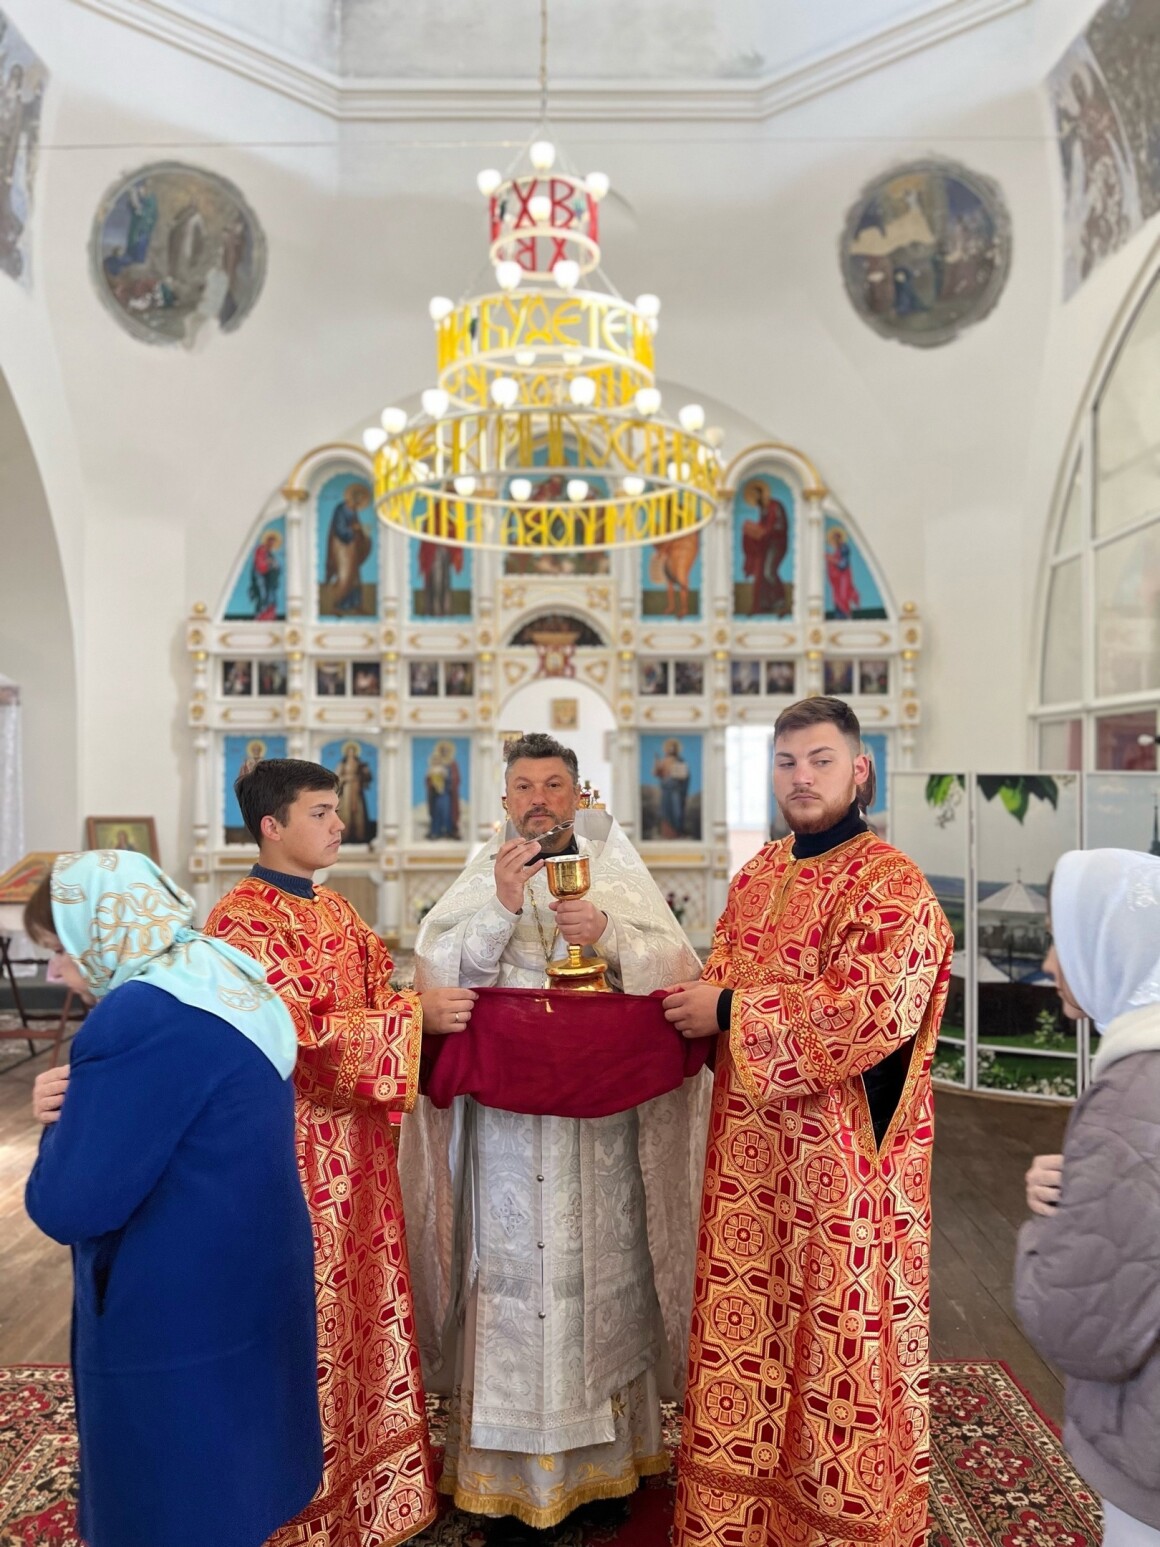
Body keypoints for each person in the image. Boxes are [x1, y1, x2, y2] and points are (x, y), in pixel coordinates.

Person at [661, 696, 953, 1547]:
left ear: (860, 770)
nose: (802, 776)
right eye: (787, 761)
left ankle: (835, 1519)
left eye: (821, 760)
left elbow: (868, 1014)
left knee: (835, 1339)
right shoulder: (759, 871)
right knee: (749, 1331)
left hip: (840, 1171)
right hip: (747, 1161)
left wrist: (728, 1009)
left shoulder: (893, 885)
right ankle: (736, 1513)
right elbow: (718, 975)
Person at [400, 732, 710, 1534]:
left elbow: (676, 968)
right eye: (525, 786)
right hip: (506, 1134)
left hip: (599, 1134)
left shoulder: (616, 870)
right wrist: (502, 907)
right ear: (504, 799)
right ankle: (505, 1480)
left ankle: (605, 1473)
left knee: (600, 1279)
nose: (539, 799)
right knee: (509, 1286)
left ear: (579, 794)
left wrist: (605, 929)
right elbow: (438, 977)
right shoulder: (484, 872)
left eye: (554, 784)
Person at [204, 758, 475, 1547]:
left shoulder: (337, 909)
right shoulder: (240, 923)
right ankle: (304, 1503)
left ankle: (372, 1489)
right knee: (311, 1320)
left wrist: (410, 1008)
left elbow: (379, 993)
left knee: (362, 1309)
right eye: (320, 812)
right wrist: (413, 1019)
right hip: (292, 1154)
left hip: (358, 1151)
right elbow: (295, 1037)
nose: (338, 822)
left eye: (335, 809)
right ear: (271, 826)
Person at [24, 851, 321, 1547]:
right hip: (249, 1271)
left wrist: (58, 1121)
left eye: (57, 948)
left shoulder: (137, 1015)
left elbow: (69, 1203)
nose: (55, 973)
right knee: (240, 1471)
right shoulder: (217, 971)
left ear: (100, 928)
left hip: (175, 1303)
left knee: (171, 1497)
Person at [1015, 849, 1160, 1547]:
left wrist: (1044, 1233)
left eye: (1060, 938)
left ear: (1107, 942)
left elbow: (1078, 1321)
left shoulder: (1135, 1091)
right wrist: (1086, 1188)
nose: (1049, 962)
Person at [739, 480, 789, 616]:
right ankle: (765, 604)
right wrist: (755, 530)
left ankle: (781, 603)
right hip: (767, 544)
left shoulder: (776, 506)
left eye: (756, 496)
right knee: (761, 573)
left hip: (777, 544)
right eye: (753, 498)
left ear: (762, 494)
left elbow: (780, 525)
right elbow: (763, 525)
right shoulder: (763, 509)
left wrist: (765, 531)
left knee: (768, 572)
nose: (755, 500)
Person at [324, 483, 373, 614]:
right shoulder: (340, 509)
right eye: (358, 498)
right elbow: (339, 528)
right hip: (341, 546)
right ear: (352, 497)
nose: (359, 502)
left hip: (351, 546)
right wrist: (352, 530)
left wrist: (363, 535)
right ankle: (336, 605)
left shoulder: (353, 511)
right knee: (344, 575)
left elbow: (356, 527)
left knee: (355, 576)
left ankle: (356, 604)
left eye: (361, 499)